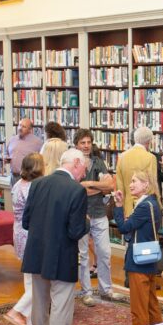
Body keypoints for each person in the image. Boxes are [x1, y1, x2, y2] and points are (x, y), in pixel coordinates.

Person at [21, 148, 89, 325]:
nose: (84, 174)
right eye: (84, 169)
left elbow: (26, 222)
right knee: (61, 306)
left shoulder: (37, 184)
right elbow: (75, 231)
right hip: (62, 255)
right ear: (76, 162)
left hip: (36, 253)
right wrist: (86, 223)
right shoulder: (76, 191)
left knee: (39, 303)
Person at [113, 170, 163, 325]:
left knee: (139, 309)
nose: (130, 185)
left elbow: (123, 227)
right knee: (151, 304)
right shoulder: (152, 203)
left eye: (134, 181)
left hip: (138, 262)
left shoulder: (144, 206)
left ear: (146, 184)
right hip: (149, 259)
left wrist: (119, 206)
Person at [5, 152, 44, 325]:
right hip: (31, 233)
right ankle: (18, 310)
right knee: (39, 279)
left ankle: (28, 319)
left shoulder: (18, 184)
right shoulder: (34, 187)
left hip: (19, 231)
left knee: (29, 277)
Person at [74, 129, 114, 307]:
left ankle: (106, 289)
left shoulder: (98, 161)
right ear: (76, 144)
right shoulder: (74, 163)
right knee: (83, 255)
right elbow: (76, 189)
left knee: (104, 252)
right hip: (81, 214)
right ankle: (86, 291)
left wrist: (89, 184)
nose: (86, 146)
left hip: (99, 213)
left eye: (89, 142)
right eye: (82, 143)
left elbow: (110, 186)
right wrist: (99, 187)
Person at [116, 126, 159, 216]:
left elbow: (119, 186)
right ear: (149, 142)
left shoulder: (122, 157)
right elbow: (152, 186)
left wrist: (122, 208)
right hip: (144, 209)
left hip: (127, 208)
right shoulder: (151, 158)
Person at [6, 118, 43, 186]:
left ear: (30, 129)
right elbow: (7, 154)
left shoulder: (37, 142)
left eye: (24, 126)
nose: (20, 128)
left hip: (28, 178)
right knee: (14, 196)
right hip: (13, 177)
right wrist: (7, 159)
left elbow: (41, 161)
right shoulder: (12, 139)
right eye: (19, 125)